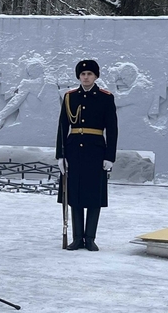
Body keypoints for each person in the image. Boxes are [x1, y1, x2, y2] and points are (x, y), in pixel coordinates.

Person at [56, 59, 118, 252]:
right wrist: (61, 155)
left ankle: (90, 237)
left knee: (93, 195)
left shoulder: (106, 98)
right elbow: (62, 127)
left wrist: (110, 156)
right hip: (74, 150)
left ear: (96, 76)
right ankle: (77, 238)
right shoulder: (70, 97)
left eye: (89, 74)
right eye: (83, 74)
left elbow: (113, 129)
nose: (86, 77)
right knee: (74, 194)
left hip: (96, 150)